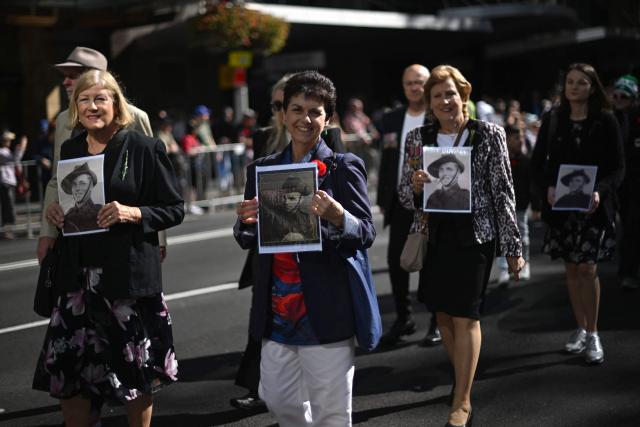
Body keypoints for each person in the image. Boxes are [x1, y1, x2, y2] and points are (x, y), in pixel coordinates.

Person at [33, 69, 184, 427]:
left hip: (125, 281)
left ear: (116, 104)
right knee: (70, 378)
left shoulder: (144, 147)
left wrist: (133, 212)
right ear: (75, 107)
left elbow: (174, 208)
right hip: (76, 283)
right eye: (84, 100)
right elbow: (69, 203)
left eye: (101, 98)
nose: (92, 106)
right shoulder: (71, 149)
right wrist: (55, 214)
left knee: (134, 376)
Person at [234, 70, 375, 427]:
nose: (305, 119)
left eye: (315, 111)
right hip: (277, 311)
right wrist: (245, 222)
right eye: (297, 109)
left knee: (332, 412)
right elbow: (247, 237)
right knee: (278, 401)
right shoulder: (262, 169)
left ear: (328, 118)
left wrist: (339, 215)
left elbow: (366, 232)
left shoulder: (344, 168)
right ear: (283, 114)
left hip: (326, 308)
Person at [399, 65, 524, 427]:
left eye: (450, 93)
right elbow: (405, 197)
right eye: (436, 96)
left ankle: (462, 399)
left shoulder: (488, 135)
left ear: (463, 96)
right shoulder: (418, 138)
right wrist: (417, 186)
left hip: (475, 236)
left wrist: (513, 246)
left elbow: (503, 192)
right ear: (429, 102)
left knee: (466, 314)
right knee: (442, 314)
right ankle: (461, 379)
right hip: (434, 234)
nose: (444, 101)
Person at [37, 46, 167, 265]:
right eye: (65, 77)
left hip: (126, 240)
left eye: (73, 76)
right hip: (78, 240)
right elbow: (57, 180)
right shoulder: (62, 121)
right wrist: (46, 232)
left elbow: (153, 184)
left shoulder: (135, 118)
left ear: (97, 77)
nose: (65, 82)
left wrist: (159, 238)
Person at [531, 63, 624, 365]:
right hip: (561, 208)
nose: (574, 87)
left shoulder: (607, 120)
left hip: (594, 209)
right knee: (571, 268)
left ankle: (594, 332)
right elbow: (538, 164)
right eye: (570, 81)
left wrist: (600, 190)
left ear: (592, 87)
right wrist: (546, 187)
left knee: (588, 268)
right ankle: (580, 327)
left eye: (581, 82)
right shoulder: (554, 120)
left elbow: (619, 167)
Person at [377, 64, 441, 347]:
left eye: (420, 82)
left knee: (433, 262)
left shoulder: (439, 112)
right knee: (396, 261)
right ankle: (404, 318)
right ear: (403, 87)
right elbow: (387, 161)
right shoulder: (391, 119)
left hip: (434, 199)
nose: (415, 87)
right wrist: (382, 200)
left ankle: (437, 321)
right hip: (400, 200)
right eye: (409, 83)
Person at [611, 74, 640, 291]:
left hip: (636, 180)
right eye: (617, 95)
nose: (619, 99)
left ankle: (629, 270)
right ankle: (627, 270)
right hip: (619, 185)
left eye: (624, 96)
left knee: (632, 225)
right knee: (628, 226)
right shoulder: (609, 119)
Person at [496, 125, 534, 285]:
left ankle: (524, 265)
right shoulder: (497, 159)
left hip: (520, 204)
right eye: (516, 137)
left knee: (522, 236)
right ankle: (504, 269)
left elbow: (532, 184)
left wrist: (536, 205)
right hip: (502, 206)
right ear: (506, 139)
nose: (520, 141)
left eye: (522, 137)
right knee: (501, 238)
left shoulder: (525, 160)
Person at [261, 174, 317, 243]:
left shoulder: (308, 219)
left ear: (301, 199)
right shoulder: (274, 217)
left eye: (292, 198)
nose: (286, 202)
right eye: (284, 198)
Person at [60, 162, 103, 234]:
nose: (77, 188)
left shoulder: (100, 212)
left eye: (82, 183)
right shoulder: (67, 216)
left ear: (91, 186)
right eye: (74, 184)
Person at [0, 130, 26, 239]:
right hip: (5, 181)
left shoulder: (7, 151)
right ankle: (7, 230)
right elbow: (14, 160)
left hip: (9, 181)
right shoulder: (1, 151)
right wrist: (22, 148)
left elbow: (15, 160)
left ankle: (8, 229)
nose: (10, 142)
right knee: (8, 206)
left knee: (9, 205)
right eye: (8, 140)